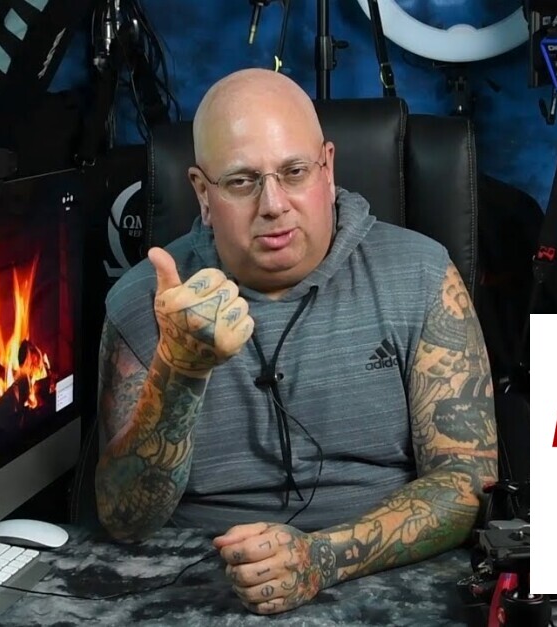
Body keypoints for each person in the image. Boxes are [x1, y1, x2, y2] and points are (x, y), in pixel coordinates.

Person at [94, 68, 497, 615]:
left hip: (387, 574)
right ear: (202, 193)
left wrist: (322, 557)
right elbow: (125, 519)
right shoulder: (147, 298)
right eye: (242, 181)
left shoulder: (422, 275)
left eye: (295, 172)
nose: (273, 204)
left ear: (328, 169)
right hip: (194, 583)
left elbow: (468, 482)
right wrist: (179, 370)